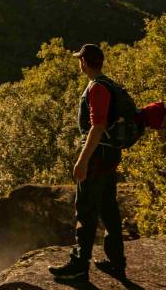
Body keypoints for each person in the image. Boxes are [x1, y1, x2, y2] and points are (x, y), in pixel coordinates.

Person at [48, 43, 127, 282]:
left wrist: (82, 160)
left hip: (97, 156)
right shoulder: (110, 84)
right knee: (108, 207)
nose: (78, 63)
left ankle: (79, 266)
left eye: (79, 59)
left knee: (85, 209)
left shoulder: (97, 88)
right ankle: (116, 262)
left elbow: (98, 126)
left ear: (84, 62)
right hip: (110, 154)